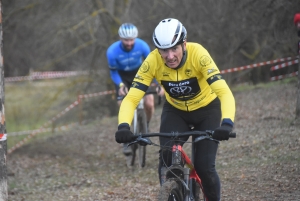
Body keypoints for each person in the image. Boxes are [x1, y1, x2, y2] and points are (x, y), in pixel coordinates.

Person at [114, 18, 236, 200]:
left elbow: (224, 92)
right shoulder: (153, 61)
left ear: (184, 44)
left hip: (207, 110)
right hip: (176, 111)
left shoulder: (199, 54)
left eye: (174, 48)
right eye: (164, 50)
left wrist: (227, 123)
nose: (169, 56)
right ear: (157, 49)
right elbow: (132, 97)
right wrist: (123, 126)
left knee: (204, 167)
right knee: (166, 161)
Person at [106, 23, 164, 155]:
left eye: (132, 39)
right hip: (122, 77)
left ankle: (146, 126)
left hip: (140, 73)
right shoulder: (112, 51)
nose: (129, 43)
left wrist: (158, 83)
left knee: (149, 102)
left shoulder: (142, 46)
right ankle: (127, 132)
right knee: (122, 104)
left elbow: (153, 67)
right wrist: (120, 85)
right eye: (126, 40)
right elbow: (113, 73)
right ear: (120, 38)